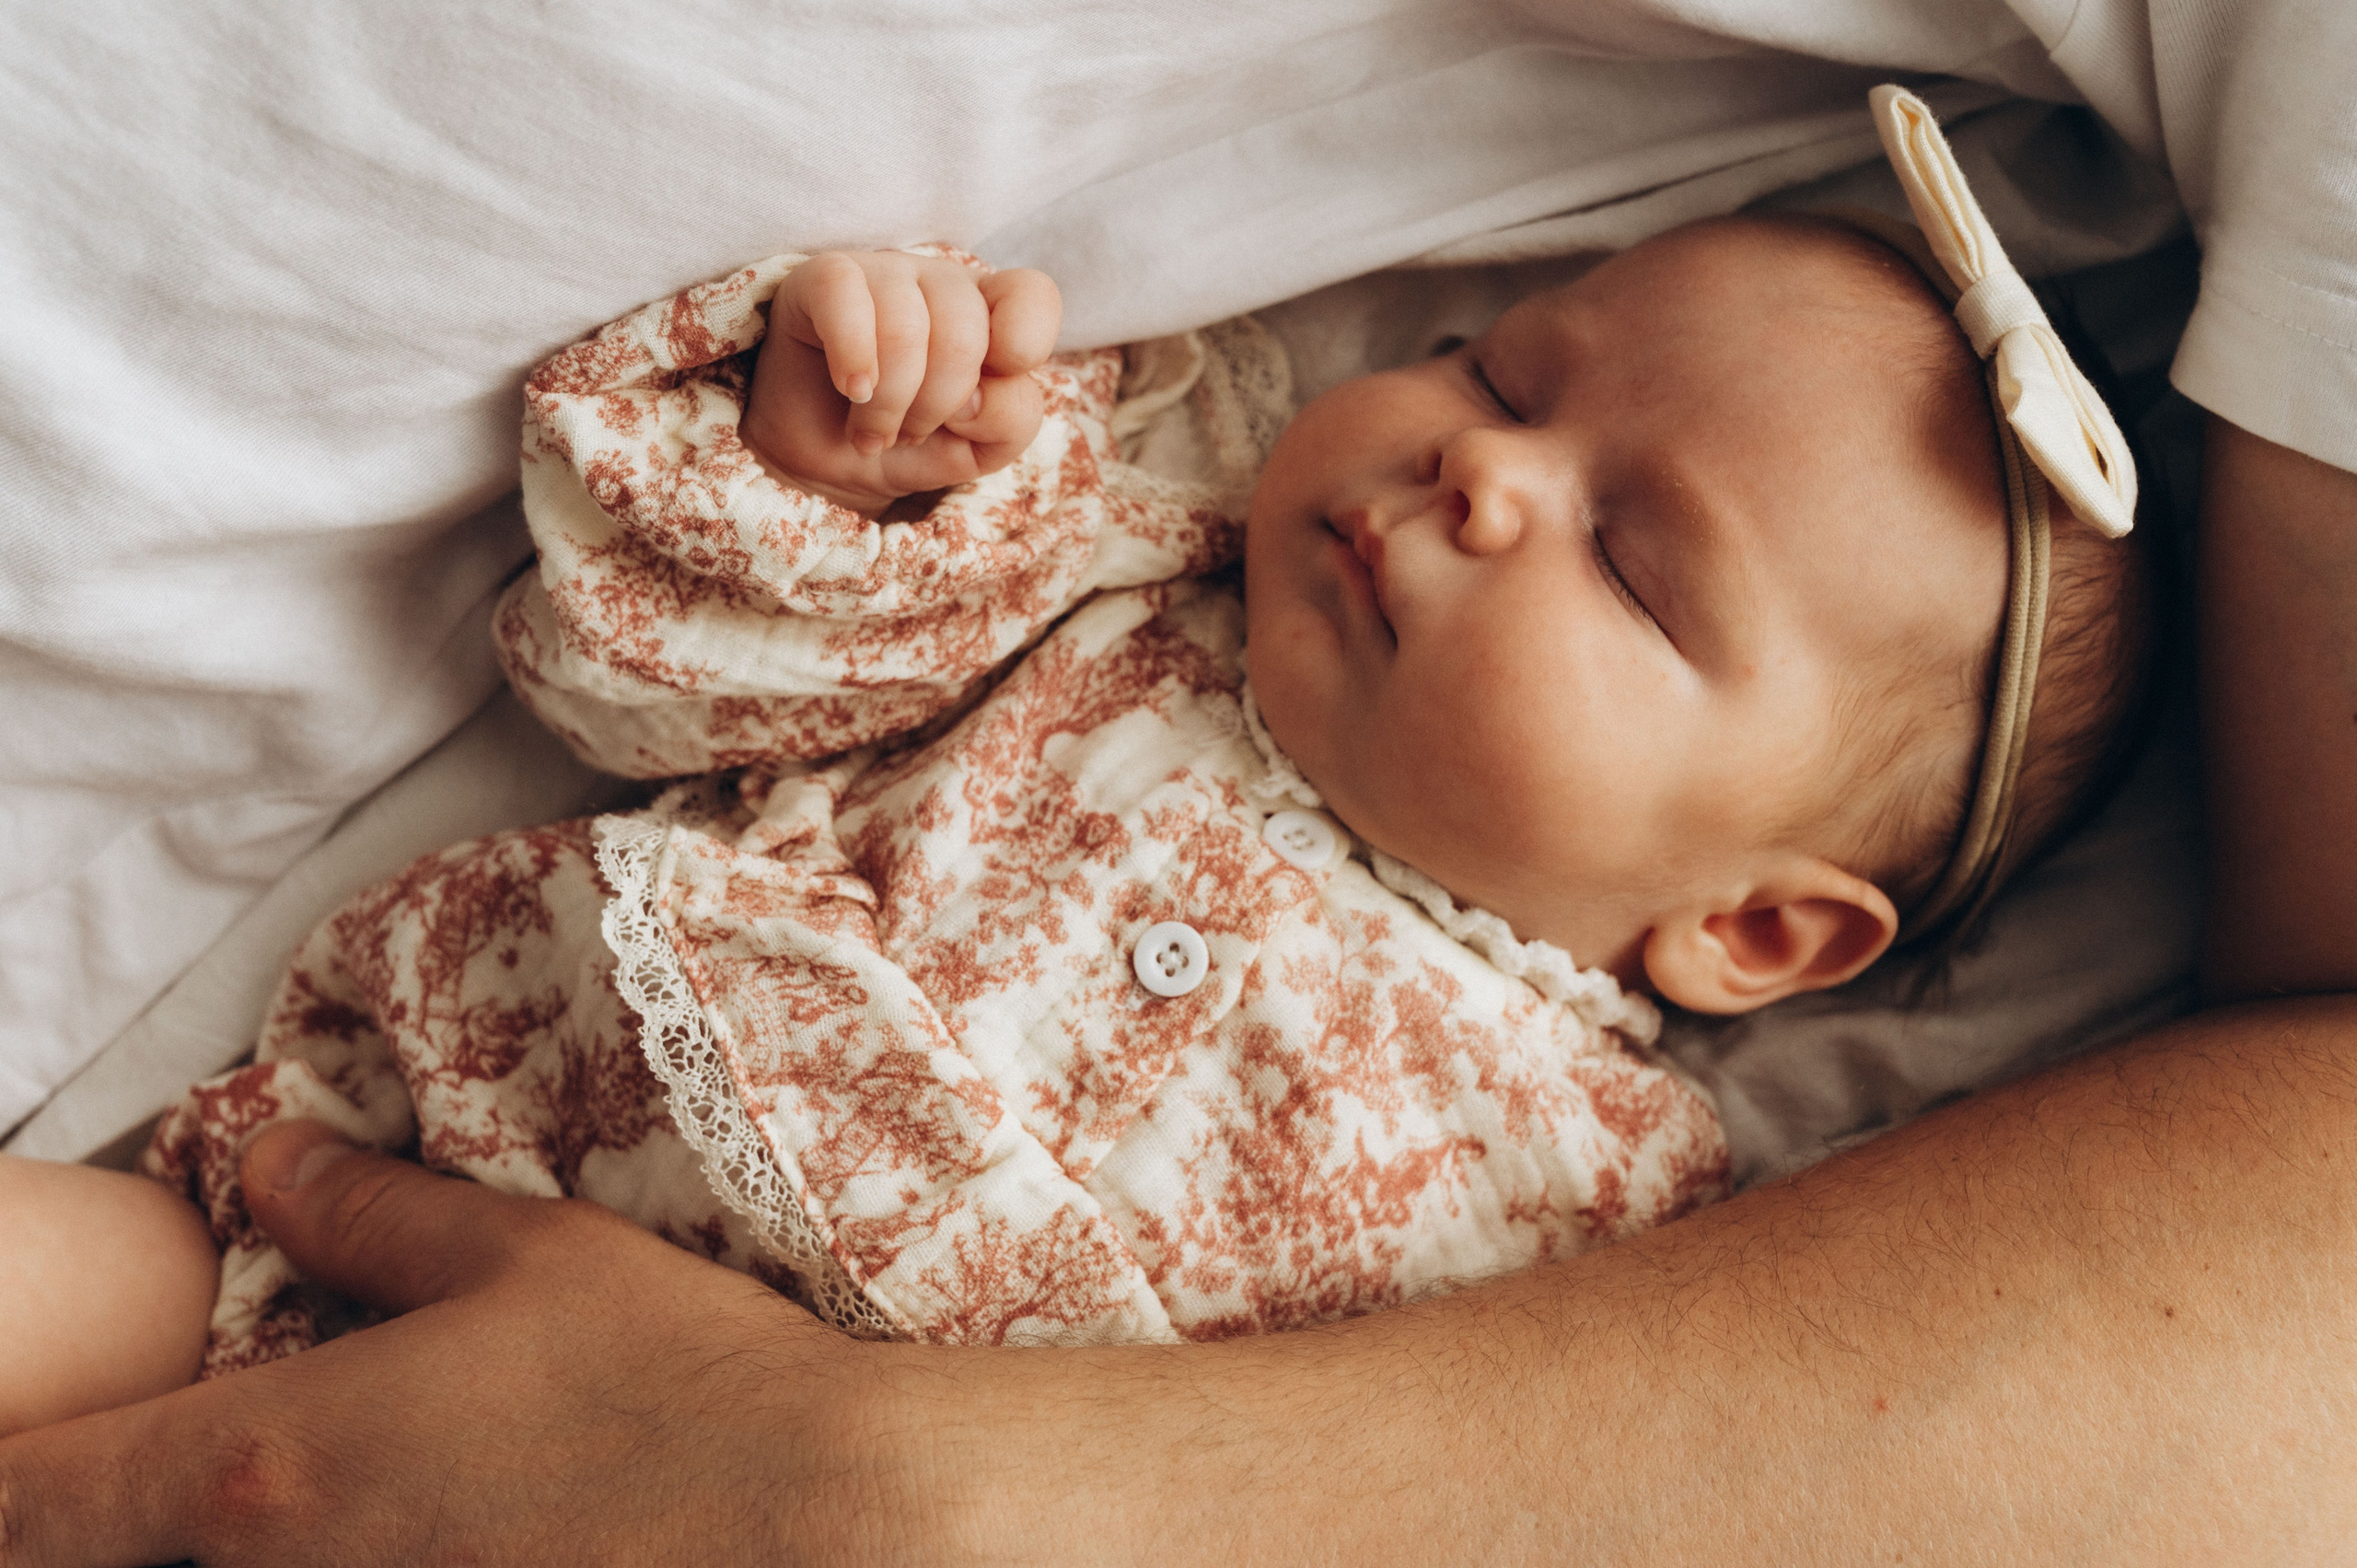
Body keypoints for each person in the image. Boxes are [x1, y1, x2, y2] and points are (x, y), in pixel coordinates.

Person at [1, 16, 2351, 1568]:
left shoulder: (1617, 1211)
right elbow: (648, 680)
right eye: (1491, 368)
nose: (1482, 479)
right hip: (367, 1183)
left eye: (1631, 565)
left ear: (1753, 930)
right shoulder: (1119, 567)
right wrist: (848, 476)